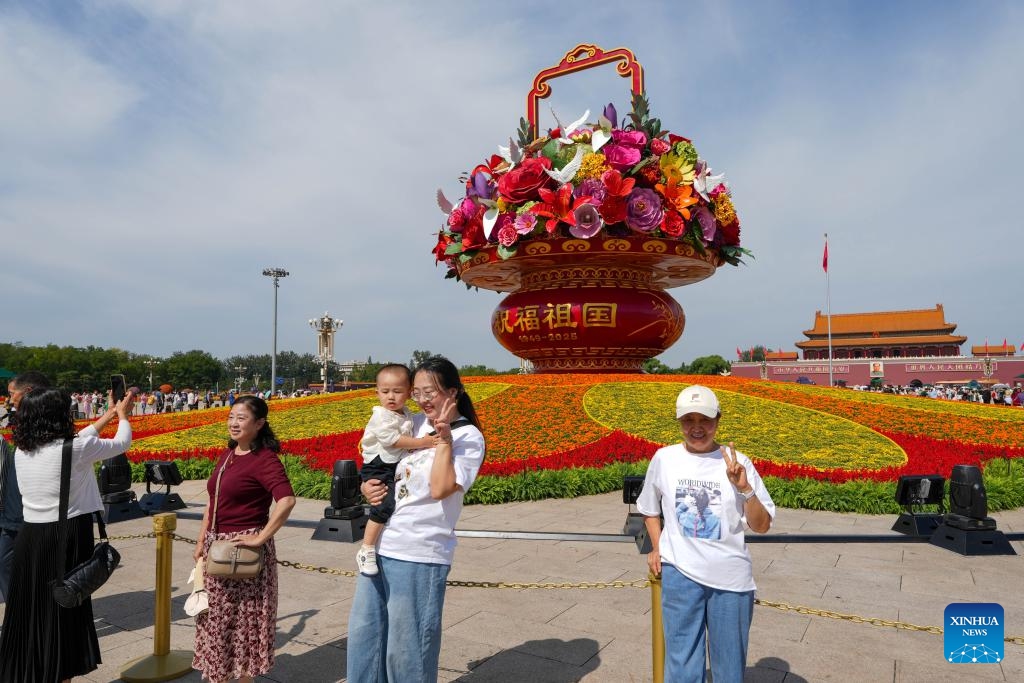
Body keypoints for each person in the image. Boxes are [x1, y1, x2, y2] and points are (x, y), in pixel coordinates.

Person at [347, 356, 485, 683]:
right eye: (418, 392)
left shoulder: (467, 437)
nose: (422, 400)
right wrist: (370, 486)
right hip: (381, 547)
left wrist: (445, 439)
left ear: (453, 392)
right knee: (366, 642)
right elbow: (394, 470)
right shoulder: (417, 425)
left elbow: (439, 489)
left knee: (407, 654)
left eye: (430, 392)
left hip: (419, 554)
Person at [637, 385, 776, 683]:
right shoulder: (664, 458)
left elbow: (761, 525)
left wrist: (744, 488)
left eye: (705, 420)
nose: (697, 428)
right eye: (689, 420)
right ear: (678, 421)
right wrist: (658, 546)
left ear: (718, 420)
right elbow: (649, 509)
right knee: (682, 665)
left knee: (729, 669)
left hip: (730, 580)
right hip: (680, 574)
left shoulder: (738, 462)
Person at [0, 385, 134, 682]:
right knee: (65, 606)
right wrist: (123, 416)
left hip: (31, 537)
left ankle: (30, 670)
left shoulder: (22, 450)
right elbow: (122, 443)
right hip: (67, 535)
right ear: (57, 415)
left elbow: (79, 440)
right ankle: (60, 673)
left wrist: (108, 415)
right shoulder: (75, 450)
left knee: (33, 610)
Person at [192, 395, 296, 683]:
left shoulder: (264, 459)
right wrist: (201, 541)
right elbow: (212, 502)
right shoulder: (228, 454)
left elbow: (286, 500)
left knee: (241, 625)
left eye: (241, 418)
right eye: (231, 417)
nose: (233, 423)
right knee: (217, 622)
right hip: (216, 547)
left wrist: (261, 537)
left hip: (242, 553)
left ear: (259, 423)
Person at [355, 364, 440, 576]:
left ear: (409, 392)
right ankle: (366, 549)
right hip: (378, 467)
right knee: (383, 505)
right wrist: (424, 442)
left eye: (397, 391)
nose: (390, 397)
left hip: (391, 467)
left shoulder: (407, 414)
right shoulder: (381, 416)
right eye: (384, 392)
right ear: (376, 392)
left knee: (392, 502)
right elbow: (392, 440)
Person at [1, 371, 53, 604]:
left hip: (28, 515)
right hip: (14, 511)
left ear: (29, 393)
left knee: (17, 567)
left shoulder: (45, 426)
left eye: (12, 394)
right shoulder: (23, 423)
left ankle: (25, 616)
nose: (9, 399)